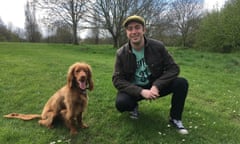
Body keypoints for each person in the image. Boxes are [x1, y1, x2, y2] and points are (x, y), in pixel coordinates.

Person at [112, 15, 189, 134]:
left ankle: (175, 118)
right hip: (135, 89)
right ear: (126, 32)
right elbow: (117, 79)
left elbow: (173, 68)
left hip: (154, 87)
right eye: (130, 29)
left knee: (181, 83)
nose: (134, 32)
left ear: (144, 30)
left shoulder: (158, 46)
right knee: (121, 103)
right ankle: (133, 107)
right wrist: (140, 91)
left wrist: (157, 85)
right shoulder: (121, 53)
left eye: (137, 27)